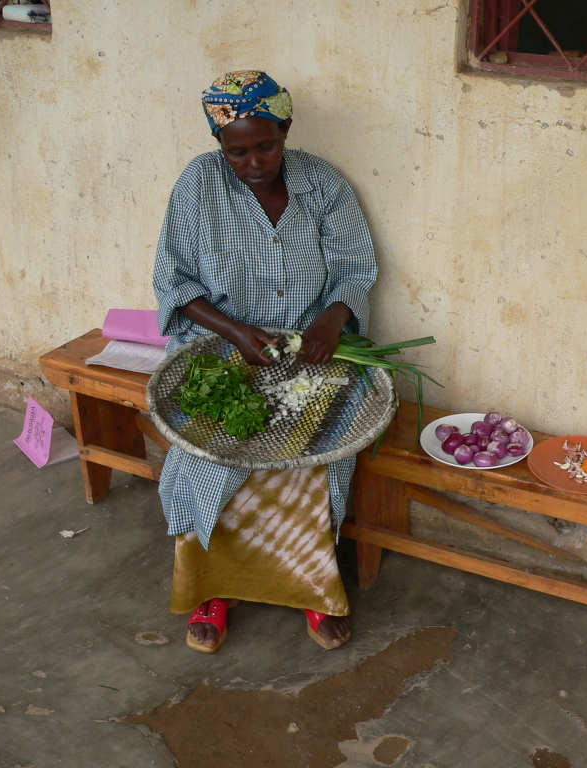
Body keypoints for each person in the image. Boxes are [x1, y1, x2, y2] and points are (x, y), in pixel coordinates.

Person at [153, 71, 377, 653]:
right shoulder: (198, 186)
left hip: (310, 350)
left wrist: (332, 318)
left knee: (315, 451)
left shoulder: (323, 185)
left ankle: (311, 587)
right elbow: (172, 280)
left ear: (286, 130)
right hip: (221, 349)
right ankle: (211, 588)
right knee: (210, 454)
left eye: (266, 145)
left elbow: (356, 268)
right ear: (218, 147)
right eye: (237, 151)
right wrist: (234, 330)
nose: (254, 161)